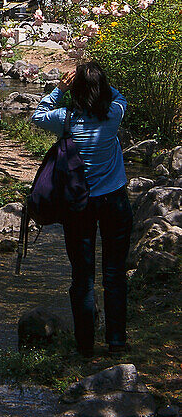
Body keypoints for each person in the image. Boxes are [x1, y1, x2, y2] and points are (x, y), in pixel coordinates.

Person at [31, 61, 132, 358]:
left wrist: (60, 88)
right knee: (114, 273)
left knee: (82, 277)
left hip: (79, 204)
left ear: (75, 90)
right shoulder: (113, 114)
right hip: (114, 200)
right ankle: (116, 342)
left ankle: (85, 346)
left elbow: (37, 116)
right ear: (102, 89)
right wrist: (99, 84)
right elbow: (119, 96)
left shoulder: (65, 118)